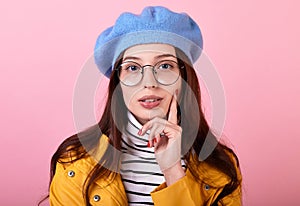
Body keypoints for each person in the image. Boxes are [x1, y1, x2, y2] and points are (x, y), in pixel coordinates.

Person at [45, 6, 242, 206]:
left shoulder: (220, 169)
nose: (149, 82)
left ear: (184, 79)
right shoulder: (75, 163)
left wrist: (173, 170)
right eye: (132, 67)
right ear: (118, 83)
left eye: (165, 66)